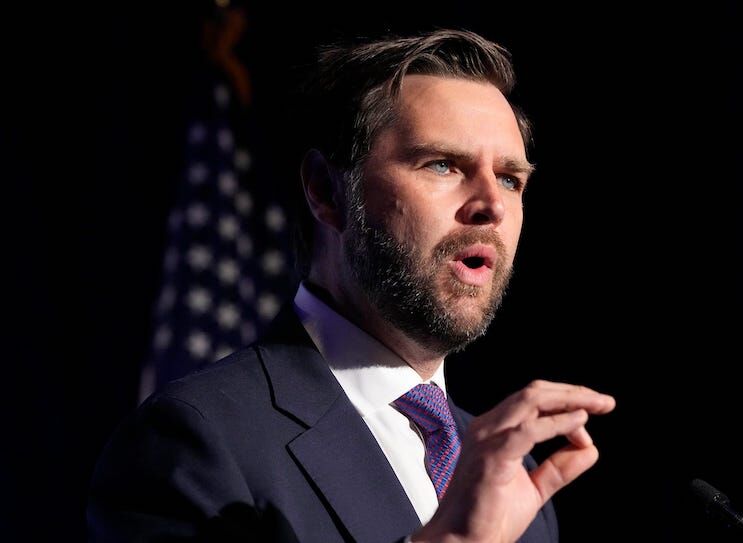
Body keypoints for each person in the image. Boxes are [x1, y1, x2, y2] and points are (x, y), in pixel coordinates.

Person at [87, 28, 616, 542]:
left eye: (509, 178)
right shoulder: (197, 441)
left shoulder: (510, 473)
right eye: (442, 165)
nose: (492, 206)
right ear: (327, 192)